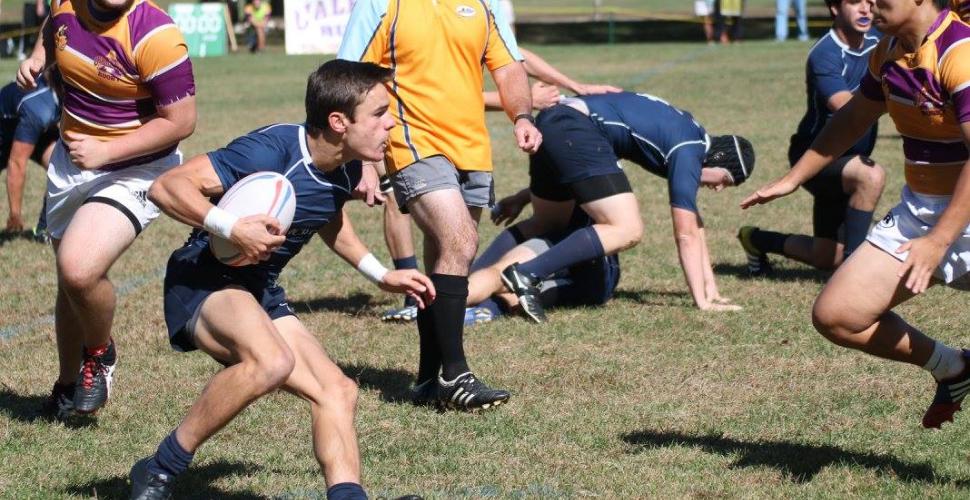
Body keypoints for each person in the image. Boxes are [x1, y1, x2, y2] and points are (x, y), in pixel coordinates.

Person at [130, 60, 433, 500]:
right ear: (338, 122)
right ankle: (159, 467)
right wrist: (233, 229)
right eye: (379, 113)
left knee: (338, 391)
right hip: (204, 278)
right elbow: (167, 186)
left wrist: (381, 274)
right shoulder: (269, 151)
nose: (391, 122)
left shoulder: (346, 167)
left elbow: (328, 218)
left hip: (259, 289)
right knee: (271, 362)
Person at [741, 0, 970, 429]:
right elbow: (854, 117)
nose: (867, 2)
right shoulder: (886, 52)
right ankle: (954, 367)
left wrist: (939, 241)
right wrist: (795, 176)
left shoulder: (960, 53)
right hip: (920, 214)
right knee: (838, 315)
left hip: (959, 217)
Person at [339, 0, 541, 410]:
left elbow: (508, 66)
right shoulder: (381, 4)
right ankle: (456, 373)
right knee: (460, 240)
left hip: (471, 148)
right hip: (413, 143)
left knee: (449, 258)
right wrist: (363, 159)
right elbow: (347, 80)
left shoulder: (484, 4)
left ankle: (428, 378)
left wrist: (521, 115)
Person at [19, 0, 197, 419]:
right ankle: (66, 385)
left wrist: (107, 150)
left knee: (79, 268)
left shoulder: (156, 34)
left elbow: (181, 121)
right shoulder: (67, 5)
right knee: (69, 282)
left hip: (137, 169)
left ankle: (99, 355)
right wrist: (37, 57)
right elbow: (54, 26)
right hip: (71, 161)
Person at [380, 47, 620, 323]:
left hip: (461, 147)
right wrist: (528, 100)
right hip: (430, 141)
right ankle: (441, 300)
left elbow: (511, 52)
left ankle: (440, 299)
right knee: (498, 261)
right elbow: (443, 98)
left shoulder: (472, 16)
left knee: (482, 257)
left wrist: (573, 85)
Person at [500, 92, 755, 323]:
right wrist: (701, 302)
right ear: (720, 158)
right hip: (573, 126)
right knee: (626, 228)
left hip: (559, 122)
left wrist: (713, 292)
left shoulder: (690, 134)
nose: (719, 188)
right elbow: (685, 233)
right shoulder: (690, 151)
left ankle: (474, 282)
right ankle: (527, 274)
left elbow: (695, 227)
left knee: (546, 224)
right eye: (725, 180)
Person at [738, 0, 884, 274]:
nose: (865, 9)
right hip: (817, 159)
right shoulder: (824, 54)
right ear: (834, 8)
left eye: (870, 1)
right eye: (855, 2)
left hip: (850, 160)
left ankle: (756, 239)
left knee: (826, 258)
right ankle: (856, 276)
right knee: (871, 175)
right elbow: (848, 109)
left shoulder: (881, 41)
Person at [383, 188, 622, 327]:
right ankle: (447, 305)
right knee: (488, 276)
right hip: (557, 239)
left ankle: (443, 306)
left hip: (592, 271)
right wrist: (523, 196)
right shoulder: (569, 147)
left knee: (507, 282)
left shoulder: (575, 148)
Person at [1, 74, 59, 239]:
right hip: (6, 134)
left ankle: (44, 230)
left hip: (31, 130)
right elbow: (17, 163)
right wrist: (15, 214)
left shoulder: (66, 93)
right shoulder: (40, 106)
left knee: (64, 166)